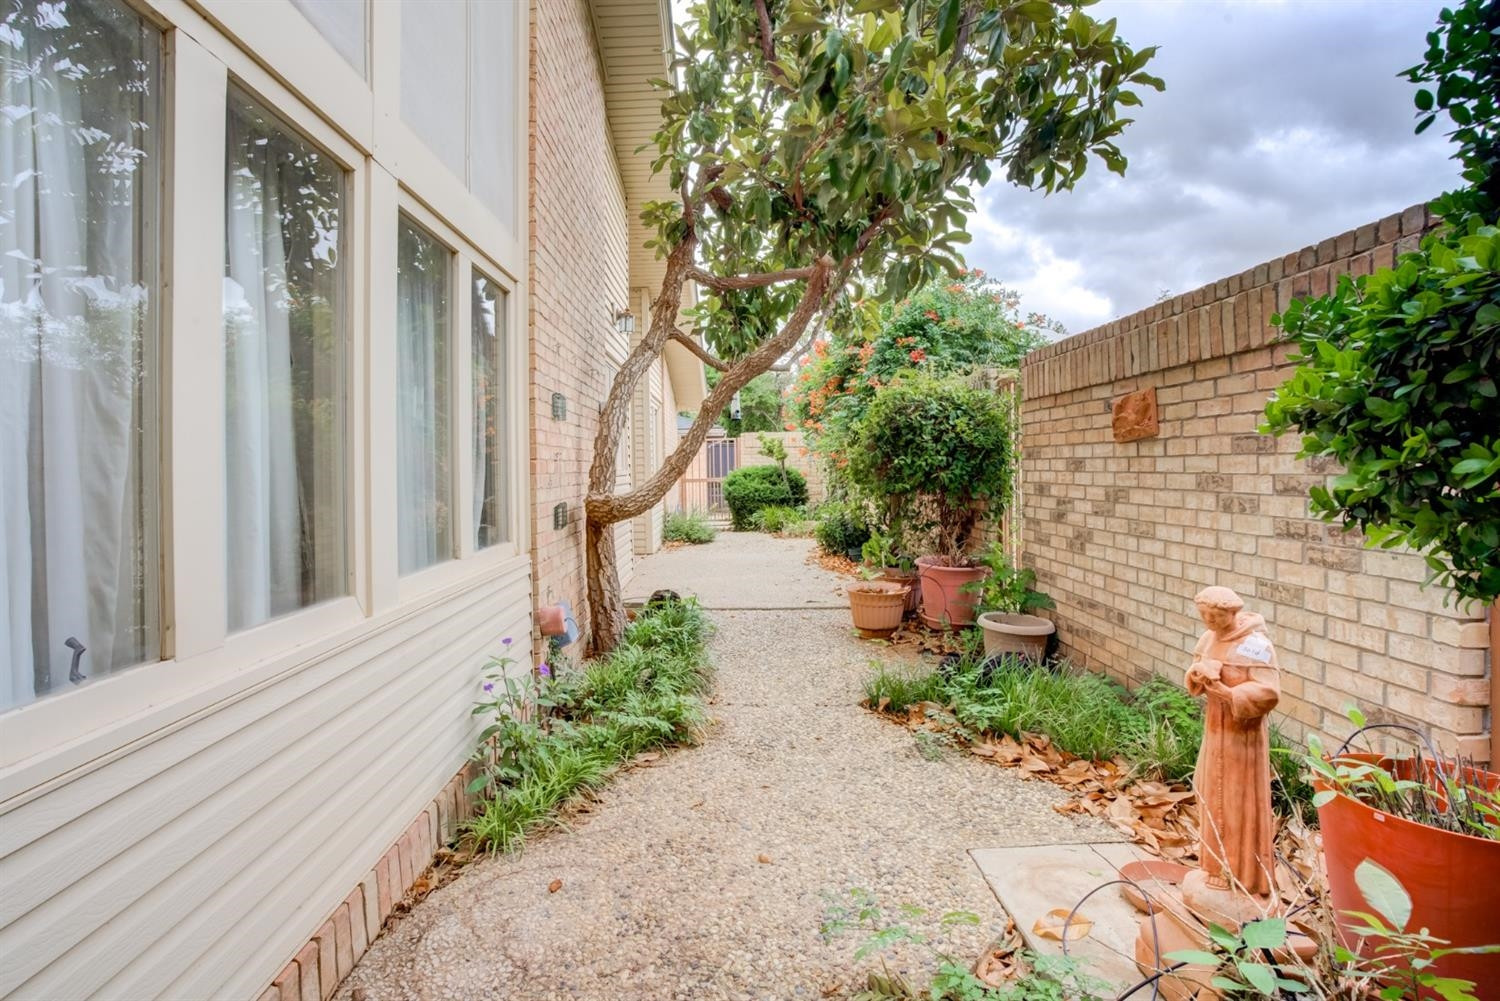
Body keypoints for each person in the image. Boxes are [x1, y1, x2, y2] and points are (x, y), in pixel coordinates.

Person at [1185, 586, 1280, 897]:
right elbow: (1193, 677)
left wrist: (1229, 693)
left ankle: (1239, 871)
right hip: (1215, 731)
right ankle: (1212, 865)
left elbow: (1268, 692)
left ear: (1233, 613)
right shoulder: (1208, 638)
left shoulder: (1256, 645)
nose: (1209, 622)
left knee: (1236, 801)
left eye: (1215, 616)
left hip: (1243, 739)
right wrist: (1198, 675)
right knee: (1210, 792)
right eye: (1204, 616)